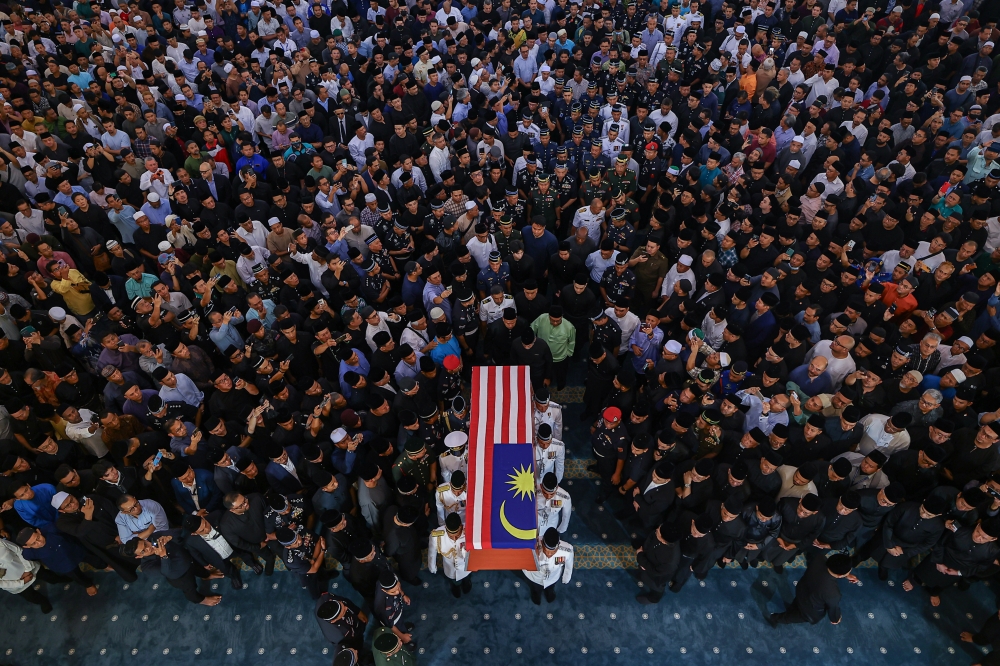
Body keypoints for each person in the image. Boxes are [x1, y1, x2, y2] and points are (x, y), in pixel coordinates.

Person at [767, 553, 857, 625]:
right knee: (789, 618)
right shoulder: (833, 594)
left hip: (801, 590)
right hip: (809, 609)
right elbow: (833, 610)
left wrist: (846, 575)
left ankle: (788, 611)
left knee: (795, 605)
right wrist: (836, 619)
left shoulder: (819, 558)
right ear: (840, 575)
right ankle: (773, 618)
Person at [523, 527, 574, 604]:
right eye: (546, 551)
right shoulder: (532, 545)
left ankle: (549, 592)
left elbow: (569, 565)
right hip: (535, 577)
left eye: (552, 552)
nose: (549, 554)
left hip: (553, 578)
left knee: (551, 588)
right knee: (535, 589)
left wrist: (566, 577)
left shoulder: (567, 550)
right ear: (542, 543)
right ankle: (536, 595)